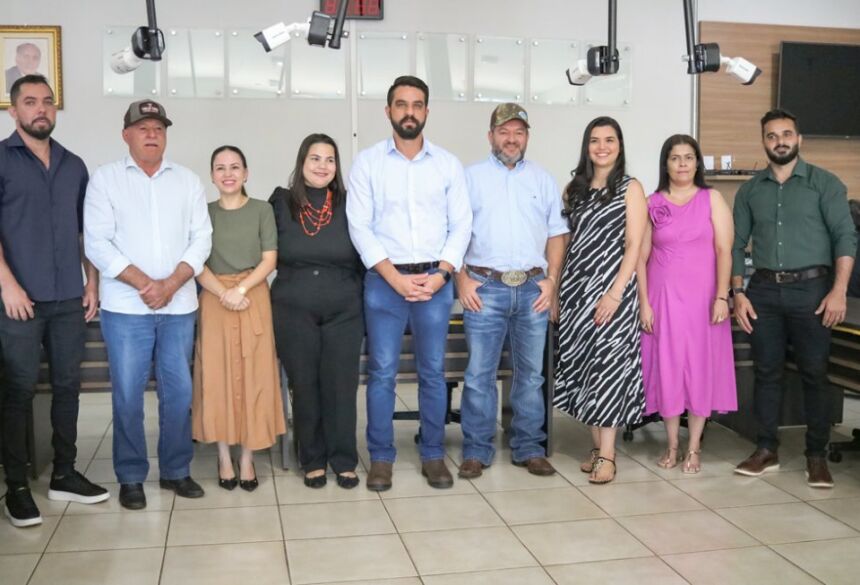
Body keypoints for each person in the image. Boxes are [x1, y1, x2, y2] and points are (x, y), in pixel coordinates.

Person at [84, 99, 213, 509]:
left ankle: (176, 471)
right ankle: (131, 476)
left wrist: (171, 283)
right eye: (143, 128)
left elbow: (202, 239)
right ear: (127, 135)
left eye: (158, 127)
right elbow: (97, 244)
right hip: (126, 309)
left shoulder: (188, 181)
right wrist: (147, 284)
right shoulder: (105, 180)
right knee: (127, 393)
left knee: (178, 393)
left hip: (178, 307)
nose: (152, 134)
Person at [347, 75, 472, 491]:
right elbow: (360, 227)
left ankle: (434, 454)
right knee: (382, 373)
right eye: (401, 104)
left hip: (435, 281)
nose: (409, 112)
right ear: (388, 111)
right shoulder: (367, 162)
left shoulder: (448, 164)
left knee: (432, 372)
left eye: (417, 105)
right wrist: (396, 279)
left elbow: (462, 226)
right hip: (385, 281)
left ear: (427, 112)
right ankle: (381, 458)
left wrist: (441, 275)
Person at [0, 74, 108, 528]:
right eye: (30, 102)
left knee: (68, 386)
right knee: (19, 390)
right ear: (13, 111)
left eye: (47, 102)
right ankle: (18, 487)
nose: (40, 109)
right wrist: (6, 284)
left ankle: (64, 473)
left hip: (68, 296)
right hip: (18, 300)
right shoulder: (1, 160)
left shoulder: (74, 164)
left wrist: (92, 281)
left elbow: (87, 231)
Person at [732, 109, 856, 488]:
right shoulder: (751, 190)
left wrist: (839, 291)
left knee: (815, 375)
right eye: (772, 136)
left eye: (786, 134)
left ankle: (816, 456)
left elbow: (845, 238)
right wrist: (738, 292)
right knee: (767, 373)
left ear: (798, 139)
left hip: (813, 291)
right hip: (764, 291)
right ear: (764, 142)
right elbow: (736, 245)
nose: (780, 141)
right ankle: (766, 449)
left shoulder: (825, 184)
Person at [456, 103, 568, 479]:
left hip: (533, 287)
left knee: (531, 375)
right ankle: (475, 450)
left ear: (527, 137)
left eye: (518, 132)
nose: (511, 139)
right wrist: (460, 277)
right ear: (491, 136)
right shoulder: (468, 178)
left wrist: (552, 280)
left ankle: (528, 448)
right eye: (504, 132)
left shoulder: (543, 179)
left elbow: (557, 232)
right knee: (479, 376)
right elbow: (452, 231)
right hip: (484, 287)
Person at [553, 116, 648, 485]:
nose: (602, 146)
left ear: (619, 145)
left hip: (614, 294)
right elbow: (564, 243)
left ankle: (608, 457)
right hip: (576, 291)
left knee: (607, 369)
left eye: (609, 140)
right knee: (583, 369)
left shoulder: (630, 188)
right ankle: (595, 451)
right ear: (586, 146)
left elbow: (634, 246)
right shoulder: (572, 190)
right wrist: (559, 290)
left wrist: (615, 293)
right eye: (595, 140)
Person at [637, 134, 737, 474]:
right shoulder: (652, 202)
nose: (682, 163)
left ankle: (694, 447)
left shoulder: (712, 199)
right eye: (675, 157)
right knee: (666, 370)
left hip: (704, 302)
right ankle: (672, 444)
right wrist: (643, 303)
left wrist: (722, 296)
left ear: (698, 163)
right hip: (662, 301)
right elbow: (640, 256)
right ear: (665, 164)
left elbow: (725, 250)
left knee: (699, 371)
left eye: (688, 157)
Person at [270, 134, 363, 490]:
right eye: (315, 158)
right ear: (301, 162)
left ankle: (343, 459)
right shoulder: (280, 202)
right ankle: (312, 458)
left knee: (341, 385)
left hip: (344, 308)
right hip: (293, 308)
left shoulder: (351, 203)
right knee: (305, 385)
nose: (322, 166)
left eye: (330, 159)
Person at [192, 145, 284, 492]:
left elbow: (269, 259)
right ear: (212, 175)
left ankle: (247, 457)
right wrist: (222, 292)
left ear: (246, 173)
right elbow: (195, 260)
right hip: (214, 298)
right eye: (220, 168)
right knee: (215, 376)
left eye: (235, 167)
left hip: (253, 294)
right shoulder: (202, 212)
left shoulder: (262, 210)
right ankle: (223, 456)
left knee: (254, 375)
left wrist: (240, 290)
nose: (228, 173)